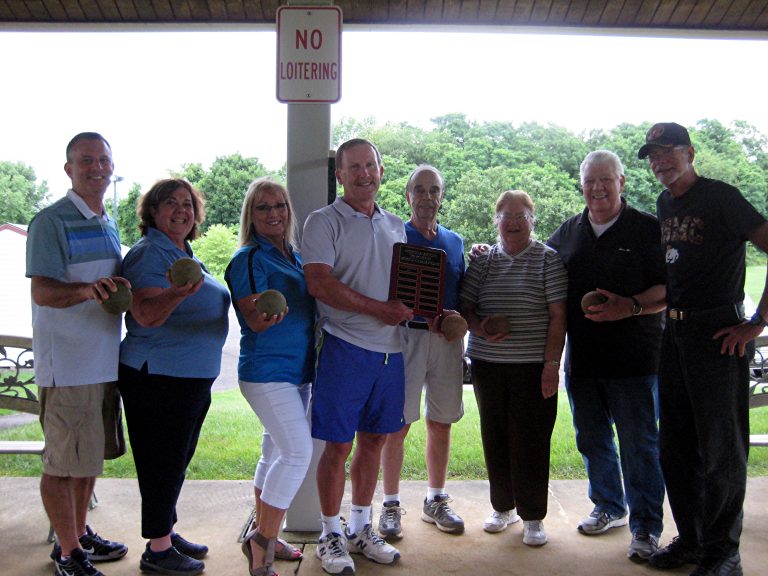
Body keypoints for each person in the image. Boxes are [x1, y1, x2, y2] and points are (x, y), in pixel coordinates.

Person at [638, 122, 768, 576]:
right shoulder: (665, 203)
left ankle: (723, 553)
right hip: (673, 335)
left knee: (721, 450)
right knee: (676, 446)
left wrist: (757, 323)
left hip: (718, 335)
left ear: (690, 152)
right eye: (653, 155)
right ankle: (692, 540)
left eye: (667, 152)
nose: (659, 162)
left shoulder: (721, 197)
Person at [301, 138, 414, 575]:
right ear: (340, 175)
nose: (365, 173)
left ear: (381, 171)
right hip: (344, 345)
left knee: (375, 441)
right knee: (338, 446)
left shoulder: (396, 225)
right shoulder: (322, 221)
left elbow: (405, 290)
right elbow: (319, 284)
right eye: (355, 167)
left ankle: (361, 528)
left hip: (392, 352)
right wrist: (378, 310)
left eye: (371, 165)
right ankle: (330, 533)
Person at [547, 150, 666, 562]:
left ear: (622, 182)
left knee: (640, 446)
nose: (597, 188)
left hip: (636, 362)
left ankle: (647, 527)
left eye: (606, 180)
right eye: (589, 181)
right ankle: (610, 506)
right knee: (593, 440)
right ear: (581, 186)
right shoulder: (567, 232)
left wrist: (630, 305)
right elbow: (538, 269)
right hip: (582, 363)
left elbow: (669, 291)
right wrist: (486, 253)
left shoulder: (649, 230)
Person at [26, 132, 129, 576]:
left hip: (103, 362)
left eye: (103, 159)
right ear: (69, 169)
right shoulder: (51, 221)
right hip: (67, 366)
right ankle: (67, 553)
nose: (96, 167)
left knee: (88, 460)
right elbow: (43, 290)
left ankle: (80, 533)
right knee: (64, 465)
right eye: (86, 160)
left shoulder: (108, 221)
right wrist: (87, 290)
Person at [118, 178, 231, 575]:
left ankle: (165, 530)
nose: (182, 210)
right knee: (161, 462)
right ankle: (158, 550)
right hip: (158, 375)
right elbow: (145, 315)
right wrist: (178, 295)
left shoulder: (181, 251)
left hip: (189, 376)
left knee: (176, 460)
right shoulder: (149, 253)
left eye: (188, 204)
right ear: (152, 210)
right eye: (171, 203)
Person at [460, 190, 567, 547]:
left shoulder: (547, 260)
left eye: (522, 216)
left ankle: (533, 515)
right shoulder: (484, 260)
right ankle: (502, 507)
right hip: (488, 365)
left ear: (532, 222)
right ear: (496, 221)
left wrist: (552, 365)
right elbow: (466, 307)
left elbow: (558, 317)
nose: (513, 223)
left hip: (532, 365)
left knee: (532, 439)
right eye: (506, 216)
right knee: (496, 435)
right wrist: (479, 327)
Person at [225, 178, 314, 576]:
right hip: (267, 371)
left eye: (279, 205)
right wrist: (266, 314)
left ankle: (269, 535)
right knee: (297, 453)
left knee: (275, 453)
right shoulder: (248, 258)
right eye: (263, 208)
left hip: (299, 371)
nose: (273, 213)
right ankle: (260, 541)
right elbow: (254, 321)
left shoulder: (295, 256)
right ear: (251, 215)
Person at [378, 165, 466, 539]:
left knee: (441, 421)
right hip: (406, 337)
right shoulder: (395, 235)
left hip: (446, 341)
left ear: (441, 196)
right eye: (420, 190)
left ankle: (435, 498)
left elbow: (461, 290)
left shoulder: (455, 241)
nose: (427, 197)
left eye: (434, 190)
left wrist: (457, 318)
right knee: (398, 424)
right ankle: (391, 504)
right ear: (408, 195)